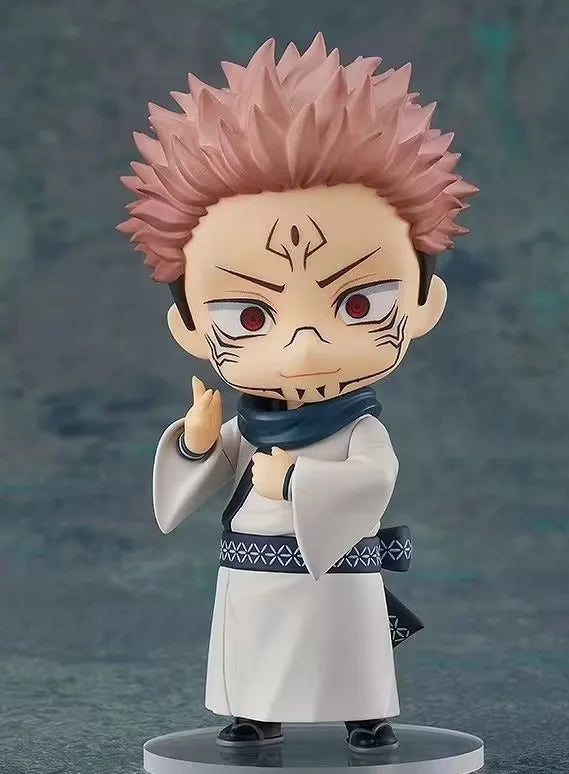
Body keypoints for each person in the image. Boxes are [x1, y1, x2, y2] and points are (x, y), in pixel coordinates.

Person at [118, 31, 477, 753]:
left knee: (346, 650)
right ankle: (255, 712)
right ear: (189, 327)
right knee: (257, 650)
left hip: (335, 571)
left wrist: (296, 480)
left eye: (358, 304)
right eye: (250, 318)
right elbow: (190, 489)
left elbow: (373, 479)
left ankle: (364, 714)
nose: (304, 346)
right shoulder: (250, 426)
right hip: (252, 574)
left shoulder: (358, 429)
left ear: (424, 304)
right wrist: (197, 443)